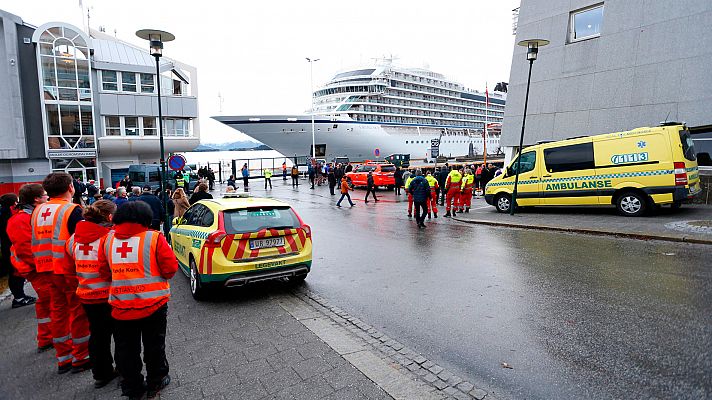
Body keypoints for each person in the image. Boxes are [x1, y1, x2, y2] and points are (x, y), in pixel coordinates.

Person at [99, 201, 177, 399]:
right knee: (154, 345)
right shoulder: (154, 238)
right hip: (154, 305)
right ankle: (156, 380)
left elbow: (103, 272)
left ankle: (133, 388)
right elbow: (169, 270)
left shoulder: (107, 241)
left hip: (121, 306)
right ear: (146, 218)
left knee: (126, 349)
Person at [31, 172, 90, 374]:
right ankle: (80, 357)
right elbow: (81, 241)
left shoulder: (37, 211)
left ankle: (63, 358)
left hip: (44, 268)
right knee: (78, 311)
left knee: (57, 311)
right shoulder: (72, 210)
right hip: (67, 269)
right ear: (71, 188)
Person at [65, 200, 118, 388]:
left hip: (87, 295)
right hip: (110, 295)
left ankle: (101, 374)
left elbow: (70, 267)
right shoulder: (110, 237)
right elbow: (113, 268)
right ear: (110, 217)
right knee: (120, 334)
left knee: (97, 335)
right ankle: (122, 368)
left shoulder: (73, 239)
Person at [7, 184, 51, 351]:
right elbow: (27, 249)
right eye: (45, 195)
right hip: (37, 269)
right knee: (48, 303)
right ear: (36, 199)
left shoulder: (29, 216)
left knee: (49, 303)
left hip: (39, 268)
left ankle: (49, 337)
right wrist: (44, 266)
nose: (47, 197)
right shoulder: (20, 220)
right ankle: (47, 338)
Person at [1, 193, 35, 307]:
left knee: (15, 273)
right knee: (16, 273)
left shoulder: (3, 212)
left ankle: (20, 296)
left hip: (6, 247)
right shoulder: (8, 214)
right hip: (10, 247)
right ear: (14, 203)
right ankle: (19, 298)